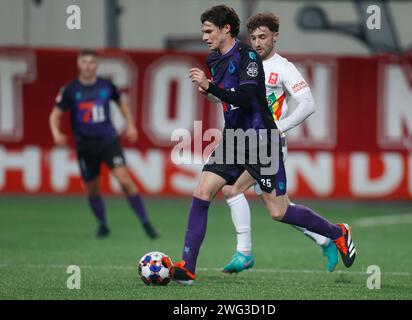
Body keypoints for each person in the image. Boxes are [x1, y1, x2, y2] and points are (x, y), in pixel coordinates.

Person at [171, 5, 356, 285]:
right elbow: (227, 96)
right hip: (233, 138)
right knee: (203, 191)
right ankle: (188, 267)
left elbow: (245, 98)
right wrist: (210, 93)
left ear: (226, 30)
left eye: (209, 31)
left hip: (262, 142)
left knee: (279, 211)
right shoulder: (216, 58)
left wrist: (211, 88)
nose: (204, 37)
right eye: (203, 32)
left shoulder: (250, 59)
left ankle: (336, 232)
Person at [221, 12, 338, 274]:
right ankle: (326, 238)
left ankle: (244, 252)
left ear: (276, 37)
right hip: (244, 141)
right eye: (253, 38)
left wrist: (277, 128)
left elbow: (308, 104)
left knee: (232, 190)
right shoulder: (243, 63)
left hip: (268, 147)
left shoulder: (283, 68)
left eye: (263, 37)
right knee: (279, 209)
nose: (257, 42)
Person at [49, 49, 159, 239]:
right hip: (85, 146)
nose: (88, 66)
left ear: (96, 64)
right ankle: (103, 225)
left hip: (108, 141)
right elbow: (55, 115)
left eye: (92, 62)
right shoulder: (70, 89)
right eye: (84, 62)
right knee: (92, 188)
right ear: (79, 64)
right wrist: (56, 133)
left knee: (125, 181)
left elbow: (121, 103)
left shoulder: (107, 85)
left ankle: (146, 223)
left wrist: (130, 125)